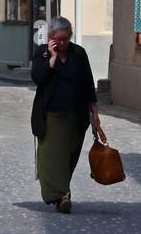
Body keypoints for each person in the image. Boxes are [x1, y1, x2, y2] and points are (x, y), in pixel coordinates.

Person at [31, 16, 98, 213]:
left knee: (70, 154)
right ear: (51, 37)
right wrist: (51, 58)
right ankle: (62, 195)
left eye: (66, 39)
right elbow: (38, 78)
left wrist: (93, 106)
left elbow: (87, 80)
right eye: (59, 39)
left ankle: (61, 193)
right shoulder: (42, 53)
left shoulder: (78, 53)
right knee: (52, 156)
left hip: (76, 114)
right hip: (52, 114)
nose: (63, 43)